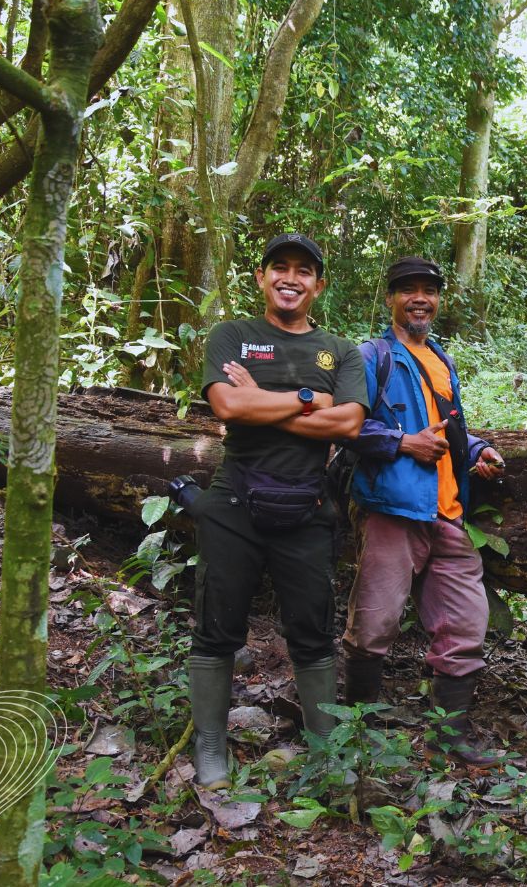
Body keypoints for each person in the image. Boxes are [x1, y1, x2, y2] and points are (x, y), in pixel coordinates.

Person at [185, 233, 368, 791]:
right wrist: (311, 400)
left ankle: (324, 754)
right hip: (234, 501)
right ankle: (210, 747)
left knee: (312, 631)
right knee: (217, 626)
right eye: (280, 268)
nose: (291, 278)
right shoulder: (233, 335)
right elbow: (226, 404)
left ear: (319, 285)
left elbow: (349, 423)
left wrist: (259, 401)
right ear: (261, 277)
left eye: (303, 271)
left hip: (307, 504)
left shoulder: (341, 350)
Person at [343, 255, 507, 765]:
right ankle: (359, 737)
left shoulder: (440, 358)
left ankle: (449, 735)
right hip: (392, 510)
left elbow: (447, 426)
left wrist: (477, 449)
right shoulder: (371, 357)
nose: (420, 299)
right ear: (391, 298)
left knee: (466, 625)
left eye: (429, 290)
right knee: (374, 624)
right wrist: (401, 442)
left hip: (448, 513)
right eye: (408, 289)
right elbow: (343, 425)